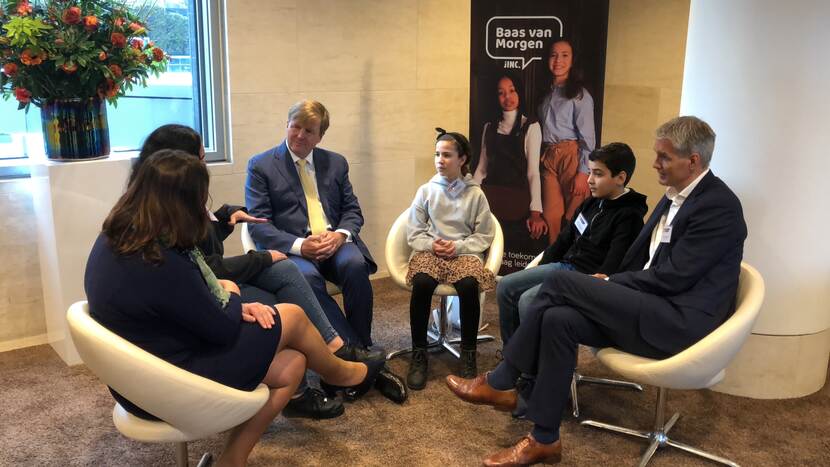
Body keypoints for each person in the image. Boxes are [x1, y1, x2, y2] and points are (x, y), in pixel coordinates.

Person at [446, 116, 747, 466]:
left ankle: (502, 379)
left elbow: (675, 278)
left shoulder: (718, 206)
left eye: (664, 157)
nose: (655, 163)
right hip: (649, 304)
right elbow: (645, 260)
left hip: (677, 321)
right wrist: (612, 284)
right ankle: (544, 439)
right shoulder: (674, 197)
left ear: (692, 161)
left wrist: (610, 282)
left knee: (560, 282)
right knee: (558, 319)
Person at [85, 150, 384, 467]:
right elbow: (223, 328)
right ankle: (344, 373)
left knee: (292, 365)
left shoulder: (117, 238)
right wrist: (232, 293)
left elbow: (184, 305)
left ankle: (232, 460)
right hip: (168, 383)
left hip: (137, 377)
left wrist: (227, 301)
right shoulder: (163, 260)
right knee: (293, 316)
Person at [131, 125, 388, 419]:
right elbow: (209, 266)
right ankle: (318, 379)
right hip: (211, 293)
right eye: (201, 158)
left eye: (309, 130)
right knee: (282, 297)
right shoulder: (256, 167)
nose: (205, 166)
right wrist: (266, 256)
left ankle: (337, 349)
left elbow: (203, 247)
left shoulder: (166, 201)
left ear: (320, 136)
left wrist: (225, 217)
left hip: (320, 245)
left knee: (300, 269)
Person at [245, 100, 377, 352]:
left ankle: (362, 343)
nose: (300, 135)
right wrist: (300, 246)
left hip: (333, 241)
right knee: (306, 277)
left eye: (309, 131)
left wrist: (340, 235)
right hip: (293, 247)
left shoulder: (336, 163)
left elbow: (352, 210)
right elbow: (258, 225)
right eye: (295, 127)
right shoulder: (261, 165)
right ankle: (349, 349)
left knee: (355, 265)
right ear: (287, 125)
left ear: (320, 136)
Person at [497, 142, 647, 347]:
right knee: (506, 286)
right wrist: (539, 269)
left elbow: (612, 266)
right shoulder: (591, 203)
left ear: (620, 178)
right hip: (566, 267)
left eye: (598, 174)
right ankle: (513, 354)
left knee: (528, 300)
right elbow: (563, 241)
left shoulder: (630, 216)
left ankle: (533, 363)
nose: (589, 180)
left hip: (586, 279)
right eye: (590, 172)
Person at [405, 128, 496, 390]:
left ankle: (468, 353)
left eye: (446, 155)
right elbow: (414, 232)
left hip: (464, 251)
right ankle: (419, 353)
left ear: (462, 159)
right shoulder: (426, 190)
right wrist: (432, 244)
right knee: (422, 282)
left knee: (468, 285)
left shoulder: (475, 194)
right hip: (431, 250)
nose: (439, 160)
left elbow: (484, 234)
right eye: (437, 154)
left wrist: (457, 247)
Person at [474, 74, 547, 255]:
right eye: (501, 93)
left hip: (518, 200)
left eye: (512, 90)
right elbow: (482, 169)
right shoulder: (489, 127)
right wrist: (469, 199)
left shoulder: (531, 126)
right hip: (490, 198)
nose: (508, 97)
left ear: (519, 92)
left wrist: (536, 213)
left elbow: (533, 173)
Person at [537, 38, 596, 244]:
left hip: (572, 156)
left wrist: (583, 172)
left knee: (574, 217)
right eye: (553, 55)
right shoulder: (545, 92)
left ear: (572, 60)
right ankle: (553, 259)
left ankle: (573, 260)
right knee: (551, 215)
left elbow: (588, 138)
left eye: (564, 55)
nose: (558, 61)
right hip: (548, 156)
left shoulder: (580, 95)